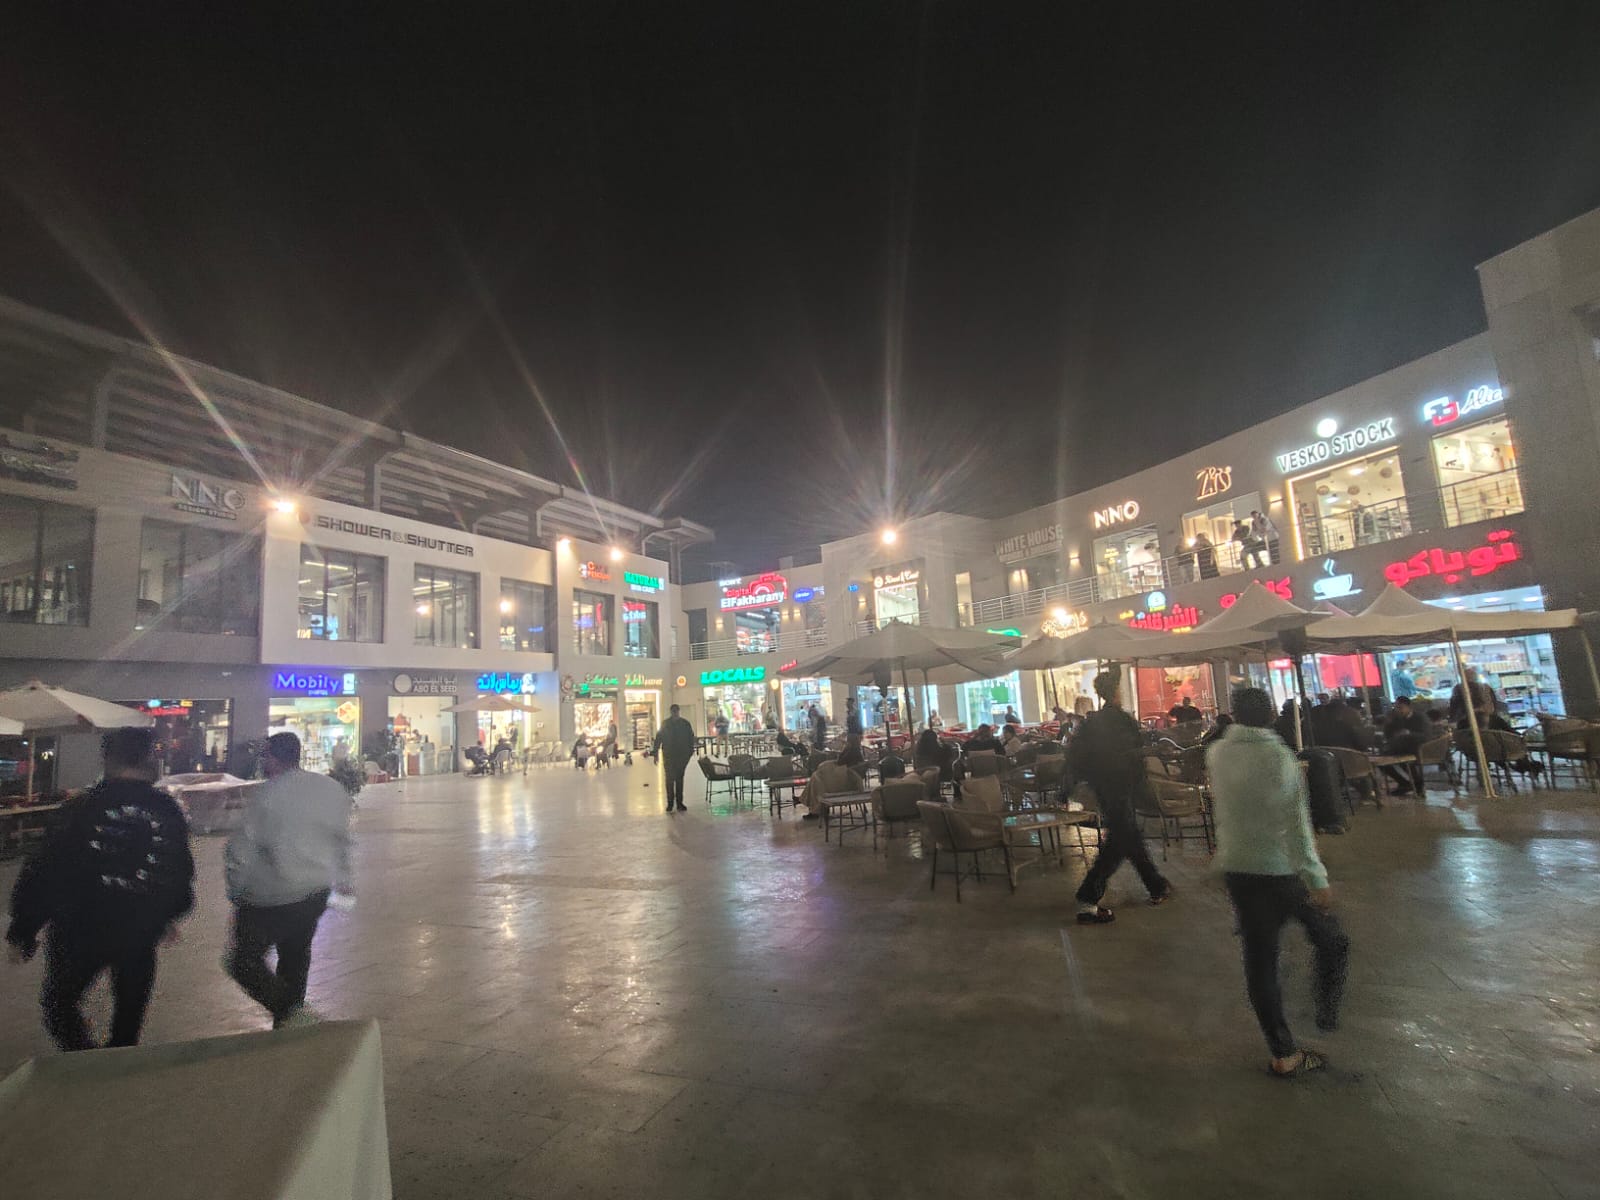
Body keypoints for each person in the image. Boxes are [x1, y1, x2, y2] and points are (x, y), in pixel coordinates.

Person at [5, 728, 194, 1051]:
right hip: (139, 930)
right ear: (150, 757)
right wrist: (167, 913)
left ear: (107, 759)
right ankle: (115, 1064)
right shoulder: (167, 809)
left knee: (59, 1004)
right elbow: (178, 867)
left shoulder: (81, 807)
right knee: (129, 1014)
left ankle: (86, 1059)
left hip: (80, 927)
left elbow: (46, 869)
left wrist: (24, 928)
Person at [1207, 687, 1349, 1077]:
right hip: (1279, 869)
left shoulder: (1216, 753)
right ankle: (1325, 1013)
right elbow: (1297, 824)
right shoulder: (1279, 757)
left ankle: (1283, 1051)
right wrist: (1316, 876)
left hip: (1238, 869)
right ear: (1271, 714)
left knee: (1260, 961)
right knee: (1332, 939)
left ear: (1233, 715)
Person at [224, 732, 354, 1029]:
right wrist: (344, 879)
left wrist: (236, 889)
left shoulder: (267, 794)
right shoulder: (329, 788)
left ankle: (291, 1013)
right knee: (295, 955)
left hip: (271, 894)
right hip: (315, 891)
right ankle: (289, 1026)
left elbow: (241, 849)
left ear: (272, 758)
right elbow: (341, 838)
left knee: (243, 962)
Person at [1068, 671, 1173, 924]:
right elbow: (1132, 753)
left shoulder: (1092, 722)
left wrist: (1075, 785)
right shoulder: (1122, 720)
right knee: (1120, 840)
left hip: (1104, 787)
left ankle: (1156, 885)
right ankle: (1088, 898)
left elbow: (1077, 755)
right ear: (1115, 691)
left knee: (1128, 837)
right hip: (1121, 786)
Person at [651, 704, 696, 814]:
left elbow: (690, 739)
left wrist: (689, 753)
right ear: (671, 712)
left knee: (678, 779)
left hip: (680, 756)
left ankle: (678, 803)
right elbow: (658, 738)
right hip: (669, 756)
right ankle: (671, 803)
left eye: (676, 711)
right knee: (670, 779)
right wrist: (655, 753)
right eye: (674, 711)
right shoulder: (666, 724)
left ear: (678, 711)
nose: (675, 713)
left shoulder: (684, 724)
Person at [1380, 696, 1430, 795]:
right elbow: (1388, 735)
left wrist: (1409, 733)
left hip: (1418, 747)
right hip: (1400, 747)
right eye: (1396, 708)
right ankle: (1404, 783)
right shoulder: (1397, 719)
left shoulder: (1420, 717)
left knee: (1406, 761)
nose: (1398, 710)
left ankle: (1417, 784)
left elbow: (1426, 736)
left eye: (1400, 708)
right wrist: (1388, 723)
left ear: (1409, 707)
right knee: (1381, 762)